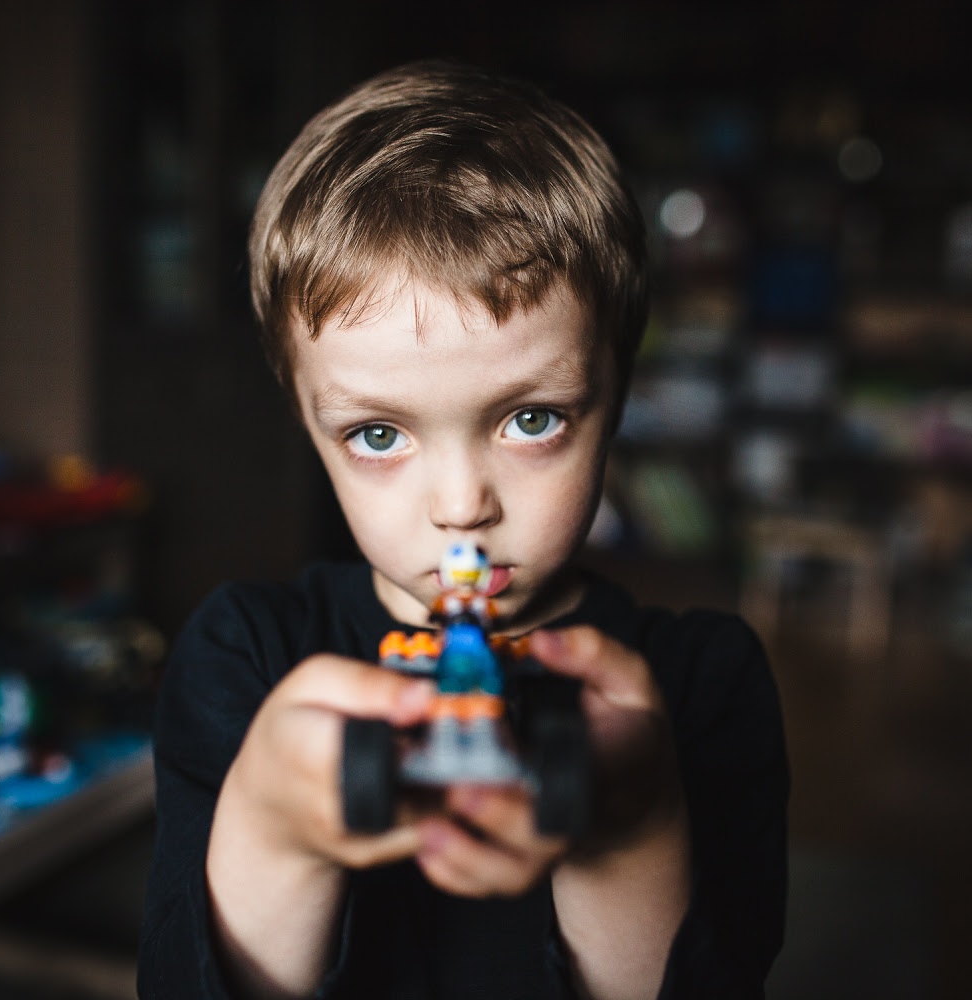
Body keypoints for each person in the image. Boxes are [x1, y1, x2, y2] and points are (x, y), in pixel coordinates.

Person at [138, 61, 788, 1000]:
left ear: (616, 398)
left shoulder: (701, 685)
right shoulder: (245, 654)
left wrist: (630, 825)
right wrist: (274, 830)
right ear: (307, 424)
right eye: (377, 434)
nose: (459, 505)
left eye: (531, 420)